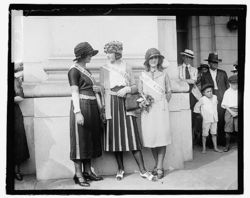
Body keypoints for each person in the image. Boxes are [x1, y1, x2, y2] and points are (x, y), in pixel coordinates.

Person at [100, 41, 156, 181]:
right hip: (111, 104)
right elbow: (103, 90)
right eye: (106, 52)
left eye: (110, 53)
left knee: (131, 136)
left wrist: (127, 89)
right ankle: (120, 169)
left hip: (126, 104)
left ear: (117, 53)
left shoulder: (127, 67)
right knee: (115, 138)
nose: (107, 55)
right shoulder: (104, 69)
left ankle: (143, 170)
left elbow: (135, 87)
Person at [68, 42, 103, 187]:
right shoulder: (74, 71)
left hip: (92, 107)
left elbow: (93, 89)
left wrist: (99, 90)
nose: (91, 57)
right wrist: (77, 113)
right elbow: (74, 92)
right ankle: (78, 174)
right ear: (82, 55)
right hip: (81, 107)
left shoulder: (85, 69)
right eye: (89, 54)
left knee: (90, 140)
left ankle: (88, 171)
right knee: (80, 141)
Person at [138, 48, 172, 179]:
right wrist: (143, 102)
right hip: (148, 111)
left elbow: (169, 91)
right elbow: (140, 93)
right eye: (151, 58)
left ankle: (159, 166)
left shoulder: (164, 74)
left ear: (159, 60)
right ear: (147, 60)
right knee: (151, 138)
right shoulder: (142, 75)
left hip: (161, 110)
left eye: (156, 58)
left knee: (162, 137)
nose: (154, 60)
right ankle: (157, 165)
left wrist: (162, 103)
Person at [201, 52, 229, 146]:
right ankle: (210, 143)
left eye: (216, 62)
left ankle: (221, 141)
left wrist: (227, 99)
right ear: (209, 63)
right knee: (210, 119)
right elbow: (203, 88)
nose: (215, 64)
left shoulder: (223, 73)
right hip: (210, 98)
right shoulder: (205, 75)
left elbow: (228, 87)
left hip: (221, 97)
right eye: (213, 62)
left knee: (221, 119)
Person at [194, 84, 223, 153]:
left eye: (211, 91)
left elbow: (216, 104)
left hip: (214, 118)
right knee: (205, 134)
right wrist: (202, 115)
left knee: (214, 133)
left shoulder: (215, 97)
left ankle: (215, 147)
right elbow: (196, 107)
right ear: (204, 93)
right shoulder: (202, 99)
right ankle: (204, 148)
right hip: (206, 119)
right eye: (207, 91)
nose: (210, 93)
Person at [14, 63, 30, 181]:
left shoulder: (13, 80)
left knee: (16, 141)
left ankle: (16, 170)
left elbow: (20, 96)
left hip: (13, 113)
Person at [221, 75, 238, 152]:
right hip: (229, 110)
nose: (235, 85)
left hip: (238, 110)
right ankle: (227, 145)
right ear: (230, 84)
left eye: (237, 83)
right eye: (233, 84)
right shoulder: (227, 92)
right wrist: (231, 112)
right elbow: (224, 104)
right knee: (228, 128)